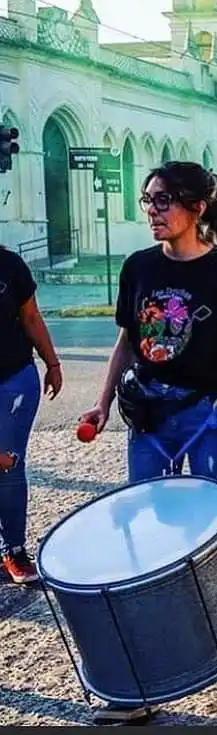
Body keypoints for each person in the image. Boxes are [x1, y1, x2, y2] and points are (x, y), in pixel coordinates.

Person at [78, 161, 217, 725]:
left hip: (208, 417)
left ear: (197, 208)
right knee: (144, 543)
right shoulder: (138, 266)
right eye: (147, 200)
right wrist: (102, 403)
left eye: (163, 201)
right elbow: (129, 339)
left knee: (215, 535)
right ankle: (140, 682)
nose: (152, 210)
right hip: (148, 418)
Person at [0, 247, 63, 584]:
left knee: (7, 462)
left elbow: (31, 318)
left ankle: (13, 550)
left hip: (12, 379)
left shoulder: (10, 265)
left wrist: (52, 363)